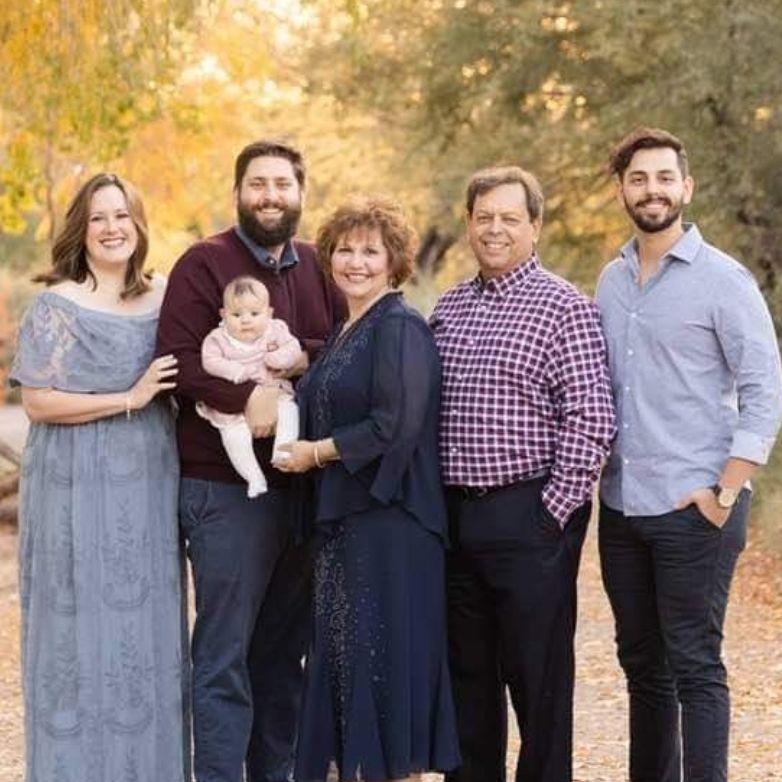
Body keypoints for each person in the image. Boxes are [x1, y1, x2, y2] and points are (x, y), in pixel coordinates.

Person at [595, 127, 782, 782]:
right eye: (638, 179)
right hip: (622, 509)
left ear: (686, 187)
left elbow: (764, 391)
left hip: (696, 506)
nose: (652, 190)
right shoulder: (611, 281)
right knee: (642, 668)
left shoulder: (724, 281)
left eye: (664, 178)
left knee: (696, 666)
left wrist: (725, 490)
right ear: (622, 191)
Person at [156, 139, 345, 782]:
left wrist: (302, 359)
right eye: (258, 184)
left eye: (282, 184)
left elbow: (343, 345)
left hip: (302, 487)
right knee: (224, 655)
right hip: (223, 491)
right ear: (237, 192)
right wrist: (248, 396)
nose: (270, 196)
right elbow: (177, 360)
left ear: (300, 193)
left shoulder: (320, 265)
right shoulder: (203, 263)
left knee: (284, 654)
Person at [431, 166, 616, 782]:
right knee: (468, 683)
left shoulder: (565, 308)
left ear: (535, 226)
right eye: (484, 217)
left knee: (538, 686)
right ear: (467, 224)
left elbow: (592, 418)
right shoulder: (450, 308)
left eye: (510, 218)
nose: (495, 229)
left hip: (529, 514)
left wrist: (551, 513)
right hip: (456, 520)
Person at [274, 195, 461, 782]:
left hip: (391, 524)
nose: (356, 262)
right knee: (349, 669)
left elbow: (394, 424)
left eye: (370, 252)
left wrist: (316, 453)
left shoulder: (399, 327)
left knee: (387, 676)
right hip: (344, 528)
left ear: (394, 261)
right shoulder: (343, 332)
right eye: (345, 250)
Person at [10, 173, 188, 782]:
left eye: (121, 215)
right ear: (80, 231)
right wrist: (129, 397)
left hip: (148, 484)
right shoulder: (57, 305)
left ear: (139, 224)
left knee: (145, 627)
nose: (112, 228)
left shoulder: (166, 296)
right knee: (74, 626)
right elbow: (39, 403)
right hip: (71, 484)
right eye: (97, 218)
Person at [197, 275, 304, 497]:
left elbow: (294, 348)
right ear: (223, 314)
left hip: (273, 390)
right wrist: (235, 371)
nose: (246, 321)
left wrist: (280, 358)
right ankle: (253, 477)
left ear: (269, 313)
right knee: (233, 435)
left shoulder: (276, 330)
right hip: (234, 402)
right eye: (236, 315)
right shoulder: (218, 339)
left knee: (290, 410)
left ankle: (283, 451)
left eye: (255, 314)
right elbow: (210, 361)